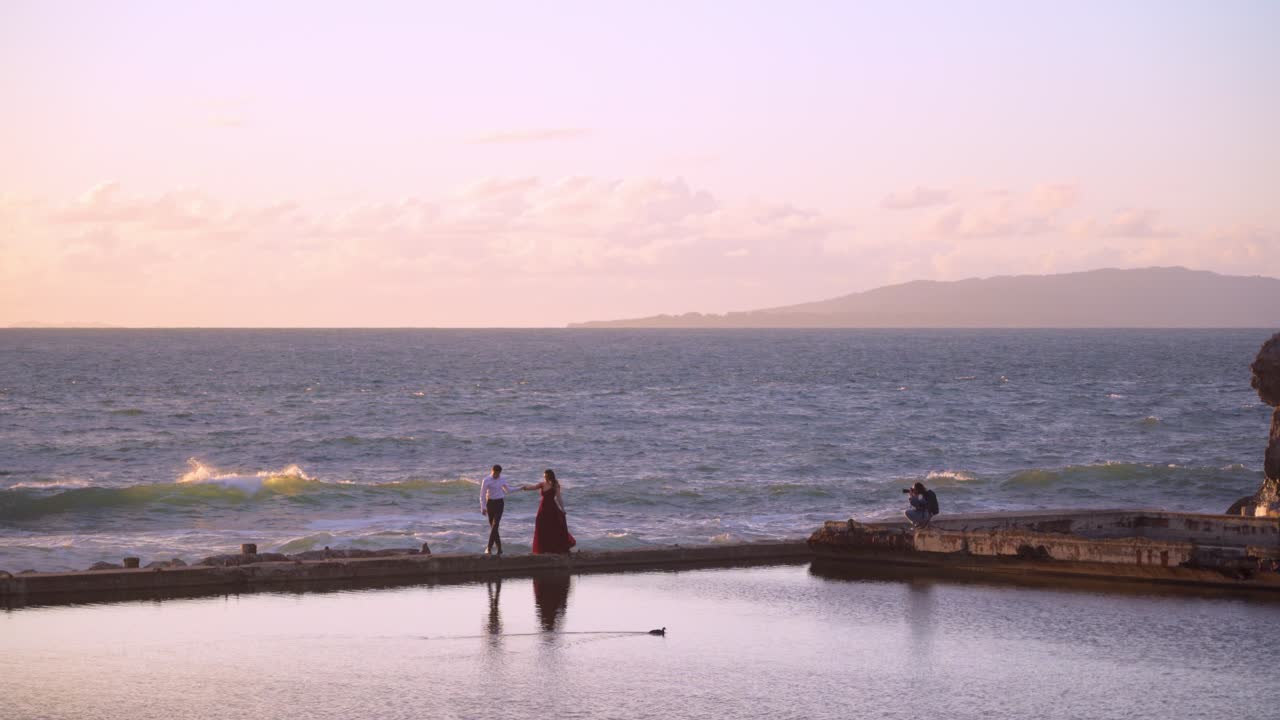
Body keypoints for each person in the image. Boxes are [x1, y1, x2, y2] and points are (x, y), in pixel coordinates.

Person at [520, 469, 576, 554]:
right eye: (544, 476)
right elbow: (534, 487)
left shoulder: (555, 485)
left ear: (550, 476)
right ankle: (542, 549)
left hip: (552, 508)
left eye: (546, 476)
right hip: (542, 508)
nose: (545, 478)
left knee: (553, 527)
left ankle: (554, 548)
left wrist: (563, 509)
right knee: (540, 526)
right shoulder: (542, 484)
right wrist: (525, 488)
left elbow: (558, 497)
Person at [480, 464, 510, 556]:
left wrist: (521, 488)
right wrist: (483, 507)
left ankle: (488, 548)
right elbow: (482, 495)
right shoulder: (486, 480)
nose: (494, 475)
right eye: (493, 473)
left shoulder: (502, 479)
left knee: (495, 525)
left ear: (499, 473)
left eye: (496, 473)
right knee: (494, 528)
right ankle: (499, 549)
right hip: (490, 504)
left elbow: (508, 490)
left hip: (500, 503)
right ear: (491, 471)